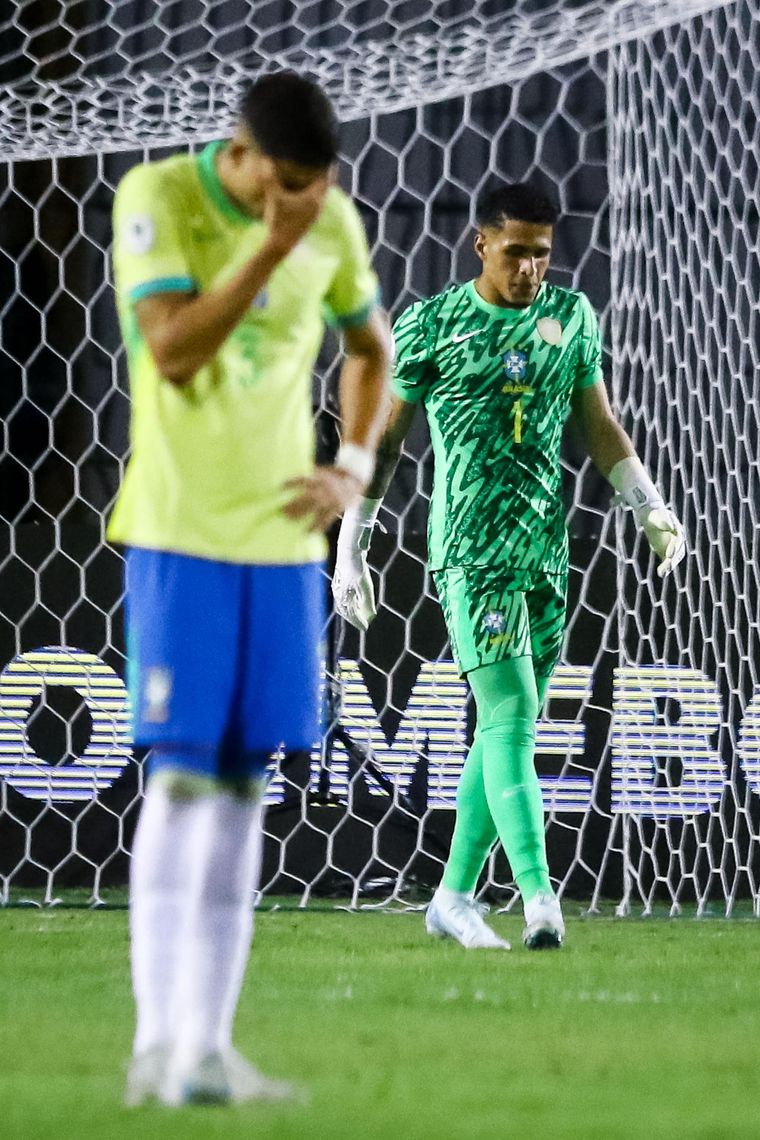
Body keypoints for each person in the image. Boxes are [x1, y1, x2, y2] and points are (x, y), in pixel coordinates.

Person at [110, 71, 390, 1105]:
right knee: (182, 782)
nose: (310, 201)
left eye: (321, 186)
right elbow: (173, 352)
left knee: (244, 790)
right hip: (181, 534)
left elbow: (373, 350)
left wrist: (352, 466)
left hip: (282, 549)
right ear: (244, 155)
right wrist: (270, 248)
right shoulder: (158, 199)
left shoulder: (330, 220)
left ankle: (209, 1048)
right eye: (291, 183)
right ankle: (156, 1043)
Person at [332, 181, 685, 952]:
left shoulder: (571, 318)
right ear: (481, 245)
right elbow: (385, 444)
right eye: (517, 251)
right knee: (513, 717)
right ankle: (538, 899)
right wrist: (350, 542)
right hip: (471, 553)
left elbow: (600, 426)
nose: (531, 270)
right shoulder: (432, 327)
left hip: (545, 554)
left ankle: (453, 898)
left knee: (503, 732)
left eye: (544, 255)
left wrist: (648, 505)